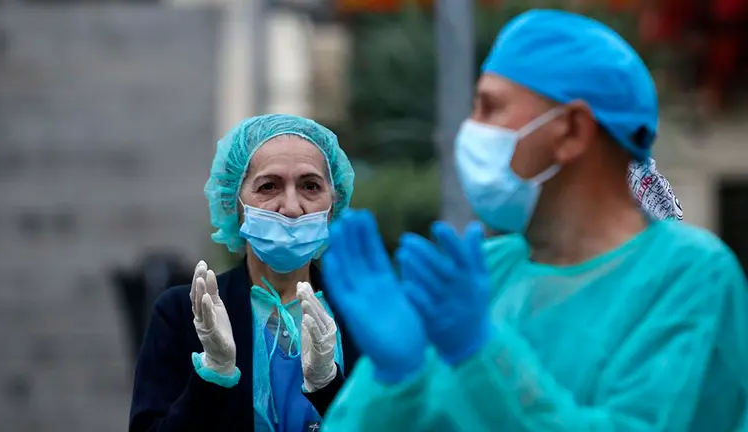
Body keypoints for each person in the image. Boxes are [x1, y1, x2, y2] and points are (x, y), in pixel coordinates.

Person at [318, 10, 748, 431]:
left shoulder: (688, 277)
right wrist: (395, 380)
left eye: (490, 107)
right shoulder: (487, 273)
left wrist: (480, 353)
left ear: (573, 130)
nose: (471, 131)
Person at [129, 114, 360, 431]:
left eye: (310, 186)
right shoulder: (182, 315)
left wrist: (328, 385)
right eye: (269, 186)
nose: (291, 207)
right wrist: (213, 375)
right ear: (233, 202)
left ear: (332, 204)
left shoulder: (362, 318)